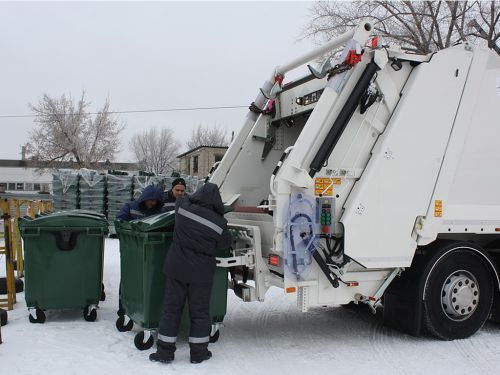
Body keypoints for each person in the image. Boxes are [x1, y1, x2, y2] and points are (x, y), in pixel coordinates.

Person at [149, 182, 231, 364]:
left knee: (171, 310)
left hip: (176, 268)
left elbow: (181, 198)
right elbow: (225, 244)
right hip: (201, 273)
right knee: (200, 313)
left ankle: (165, 353)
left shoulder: (184, 208)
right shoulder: (220, 223)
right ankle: (199, 354)